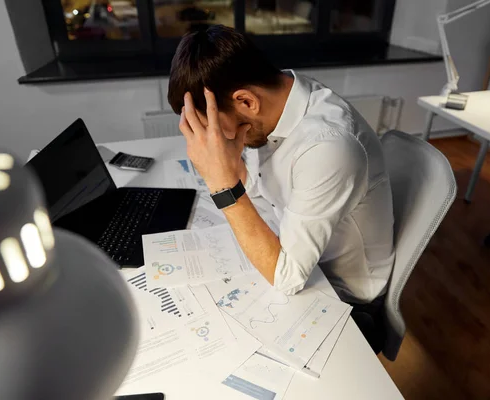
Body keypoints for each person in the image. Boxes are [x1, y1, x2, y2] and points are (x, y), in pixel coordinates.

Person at [168, 25, 395, 352]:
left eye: (214, 127)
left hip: (343, 295)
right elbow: (265, 198)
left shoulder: (327, 145)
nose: (214, 138)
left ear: (245, 100)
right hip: (302, 259)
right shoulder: (281, 98)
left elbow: (287, 277)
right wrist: (235, 170)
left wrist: (223, 185)